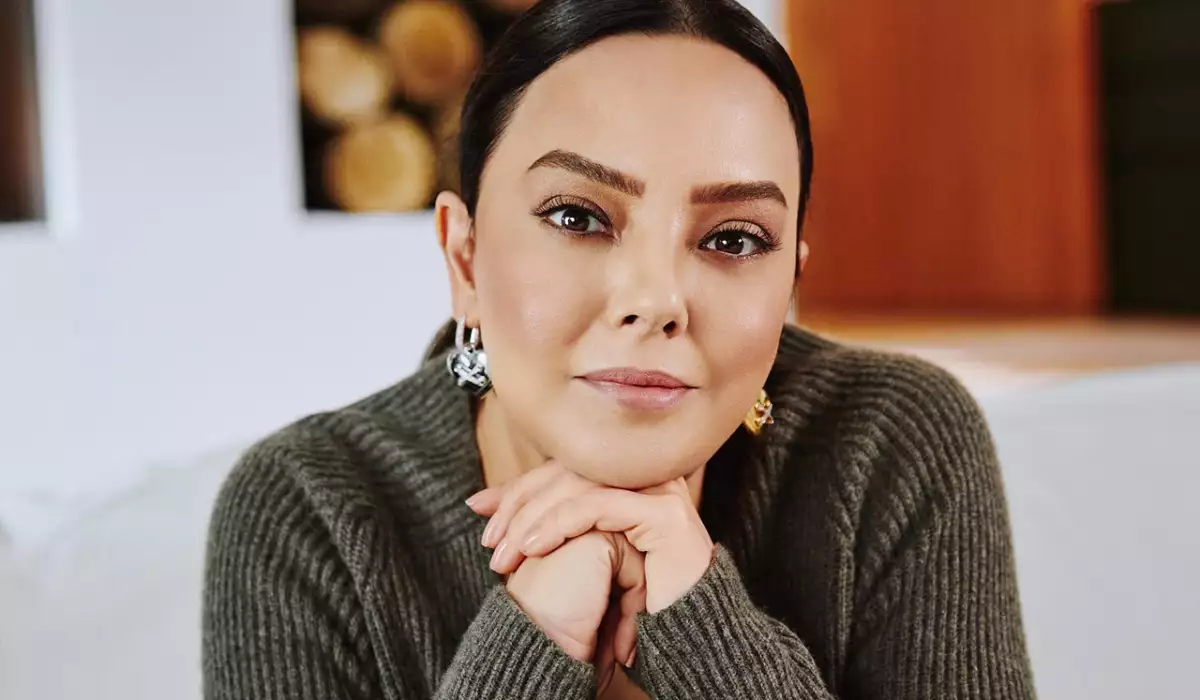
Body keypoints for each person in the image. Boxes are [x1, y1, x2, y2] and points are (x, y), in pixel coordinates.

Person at [201, 0, 1036, 698]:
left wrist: (705, 625)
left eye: (734, 238)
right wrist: (530, 642)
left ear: (788, 281)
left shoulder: (895, 443)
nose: (656, 300)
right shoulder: (308, 509)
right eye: (577, 217)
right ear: (465, 259)